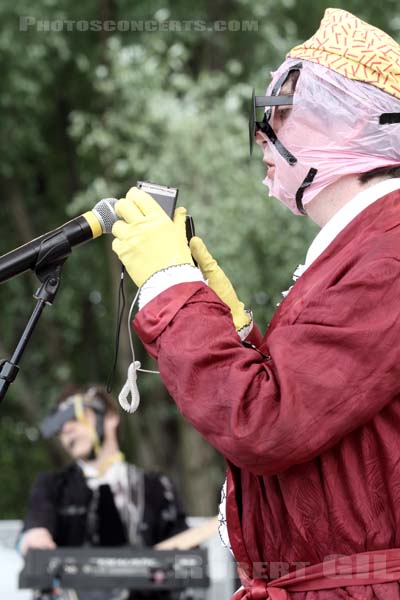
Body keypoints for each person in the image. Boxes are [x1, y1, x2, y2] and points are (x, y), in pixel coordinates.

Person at [111, 7, 400, 600]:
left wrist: (170, 284)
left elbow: (266, 424)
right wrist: (231, 325)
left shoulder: (388, 252)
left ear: (348, 125)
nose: (264, 135)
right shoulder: (365, 245)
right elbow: (315, 416)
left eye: (284, 113)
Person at [21, 384, 188, 600]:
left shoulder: (156, 486)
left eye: (75, 416)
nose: (66, 429)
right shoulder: (52, 486)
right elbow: (37, 523)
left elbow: (186, 552)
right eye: (59, 424)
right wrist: (34, 535)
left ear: (110, 417)